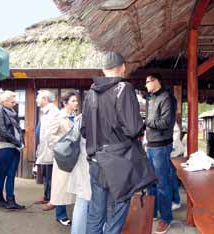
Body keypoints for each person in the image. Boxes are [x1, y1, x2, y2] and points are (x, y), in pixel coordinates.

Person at [82, 52, 144, 234]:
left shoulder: (91, 92)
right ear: (123, 67)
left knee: (95, 212)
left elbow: (84, 130)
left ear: (103, 69)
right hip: (119, 162)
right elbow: (133, 129)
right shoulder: (124, 88)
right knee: (117, 209)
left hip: (95, 160)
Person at [145, 73, 176, 234]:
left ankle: (166, 218)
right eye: (146, 82)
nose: (147, 85)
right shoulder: (151, 99)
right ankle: (152, 212)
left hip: (161, 146)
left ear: (157, 81)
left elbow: (165, 122)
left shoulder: (166, 97)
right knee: (151, 182)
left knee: (162, 184)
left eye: (149, 81)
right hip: (150, 145)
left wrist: (145, 121)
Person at [47, 91, 79, 226]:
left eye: (77, 100)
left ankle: (74, 213)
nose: (76, 103)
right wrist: (65, 141)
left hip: (75, 156)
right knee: (60, 186)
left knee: (73, 185)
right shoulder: (58, 117)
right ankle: (60, 214)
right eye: (73, 101)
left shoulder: (76, 117)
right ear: (65, 103)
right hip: (62, 157)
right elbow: (50, 137)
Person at [0, 90, 25, 209]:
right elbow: (3, 132)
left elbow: (18, 130)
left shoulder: (12, 112)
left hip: (15, 147)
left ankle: (11, 201)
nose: (14, 103)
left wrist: (21, 143)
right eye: (12, 101)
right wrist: (18, 143)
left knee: (11, 175)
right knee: (2, 175)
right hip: (4, 147)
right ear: (4, 101)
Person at [35, 90, 59, 211]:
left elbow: (52, 133)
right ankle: (46, 196)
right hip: (44, 149)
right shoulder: (45, 112)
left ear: (45, 99)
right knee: (45, 174)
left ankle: (52, 200)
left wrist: (50, 147)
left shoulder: (53, 112)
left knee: (50, 176)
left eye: (38, 98)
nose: (36, 100)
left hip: (50, 150)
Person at [67, 114, 91, 234]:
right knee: (85, 202)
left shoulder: (80, 118)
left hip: (81, 162)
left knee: (81, 201)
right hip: (90, 163)